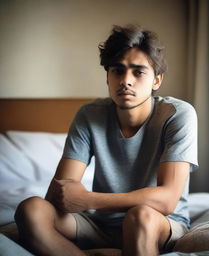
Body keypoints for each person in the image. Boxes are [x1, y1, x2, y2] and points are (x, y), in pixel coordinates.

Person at [15, 24, 198, 256]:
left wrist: (89, 199)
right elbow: (61, 194)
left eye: (138, 72)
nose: (126, 81)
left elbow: (167, 199)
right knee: (31, 209)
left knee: (139, 215)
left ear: (157, 80)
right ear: (107, 77)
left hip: (158, 222)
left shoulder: (178, 114)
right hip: (99, 225)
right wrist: (74, 199)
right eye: (117, 70)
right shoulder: (90, 114)